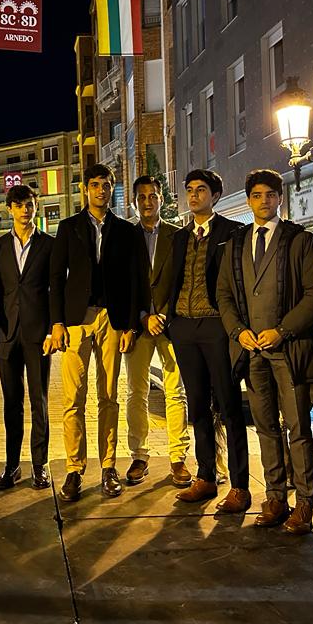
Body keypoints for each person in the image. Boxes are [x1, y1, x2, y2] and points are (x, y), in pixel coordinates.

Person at [217, 169, 313, 535]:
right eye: (257, 195)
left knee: (298, 427)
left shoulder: (300, 241)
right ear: (248, 200)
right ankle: (275, 497)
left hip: (288, 350)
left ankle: (305, 502)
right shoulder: (235, 244)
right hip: (251, 352)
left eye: (270, 194)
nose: (263, 201)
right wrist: (238, 332)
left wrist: (282, 330)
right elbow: (224, 295)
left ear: (280, 198)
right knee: (265, 427)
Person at [50, 163, 148, 502]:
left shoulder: (126, 230)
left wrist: (130, 325)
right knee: (72, 399)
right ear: (85, 189)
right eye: (95, 185)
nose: (101, 190)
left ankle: (108, 467)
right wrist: (57, 322)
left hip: (112, 318)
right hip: (76, 320)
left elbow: (135, 280)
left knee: (108, 396)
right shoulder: (68, 227)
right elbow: (55, 278)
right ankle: (74, 469)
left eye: (106, 185)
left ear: (111, 189)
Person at [166, 169, 250, 513]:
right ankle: (205, 476)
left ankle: (240, 485)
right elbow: (172, 280)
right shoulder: (180, 237)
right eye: (190, 189)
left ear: (215, 195)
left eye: (201, 190)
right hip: (184, 327)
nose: (194, 195)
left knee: (229, 406)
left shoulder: (233, 232)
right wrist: (171, 321)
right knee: (198, 405)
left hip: (217, 326)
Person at [0, 185, 55, 490]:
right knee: (11, 403)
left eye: (30, 205)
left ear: (36, 208)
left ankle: (39, 465)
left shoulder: (49, 245)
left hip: (39, 335)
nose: (26, 210)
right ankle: (12, 466)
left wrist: (53, 329)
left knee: (39, 402)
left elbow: (55, 291)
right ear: (9, 209)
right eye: (20, 205)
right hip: (6, 334)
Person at [124, 175, 191, 489]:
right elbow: (123, 283)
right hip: (139, 326)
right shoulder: (125, 237)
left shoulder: (178, 236)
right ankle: (139, 455)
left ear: (161, 199)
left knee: (176, 392)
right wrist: (142, 317)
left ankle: (178, 458)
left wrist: (163, 314)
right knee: (136, 392)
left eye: (153, 196)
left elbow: (183, 281)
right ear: (134, 202)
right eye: (142, 197)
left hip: (171, 324)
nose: (147, 202)